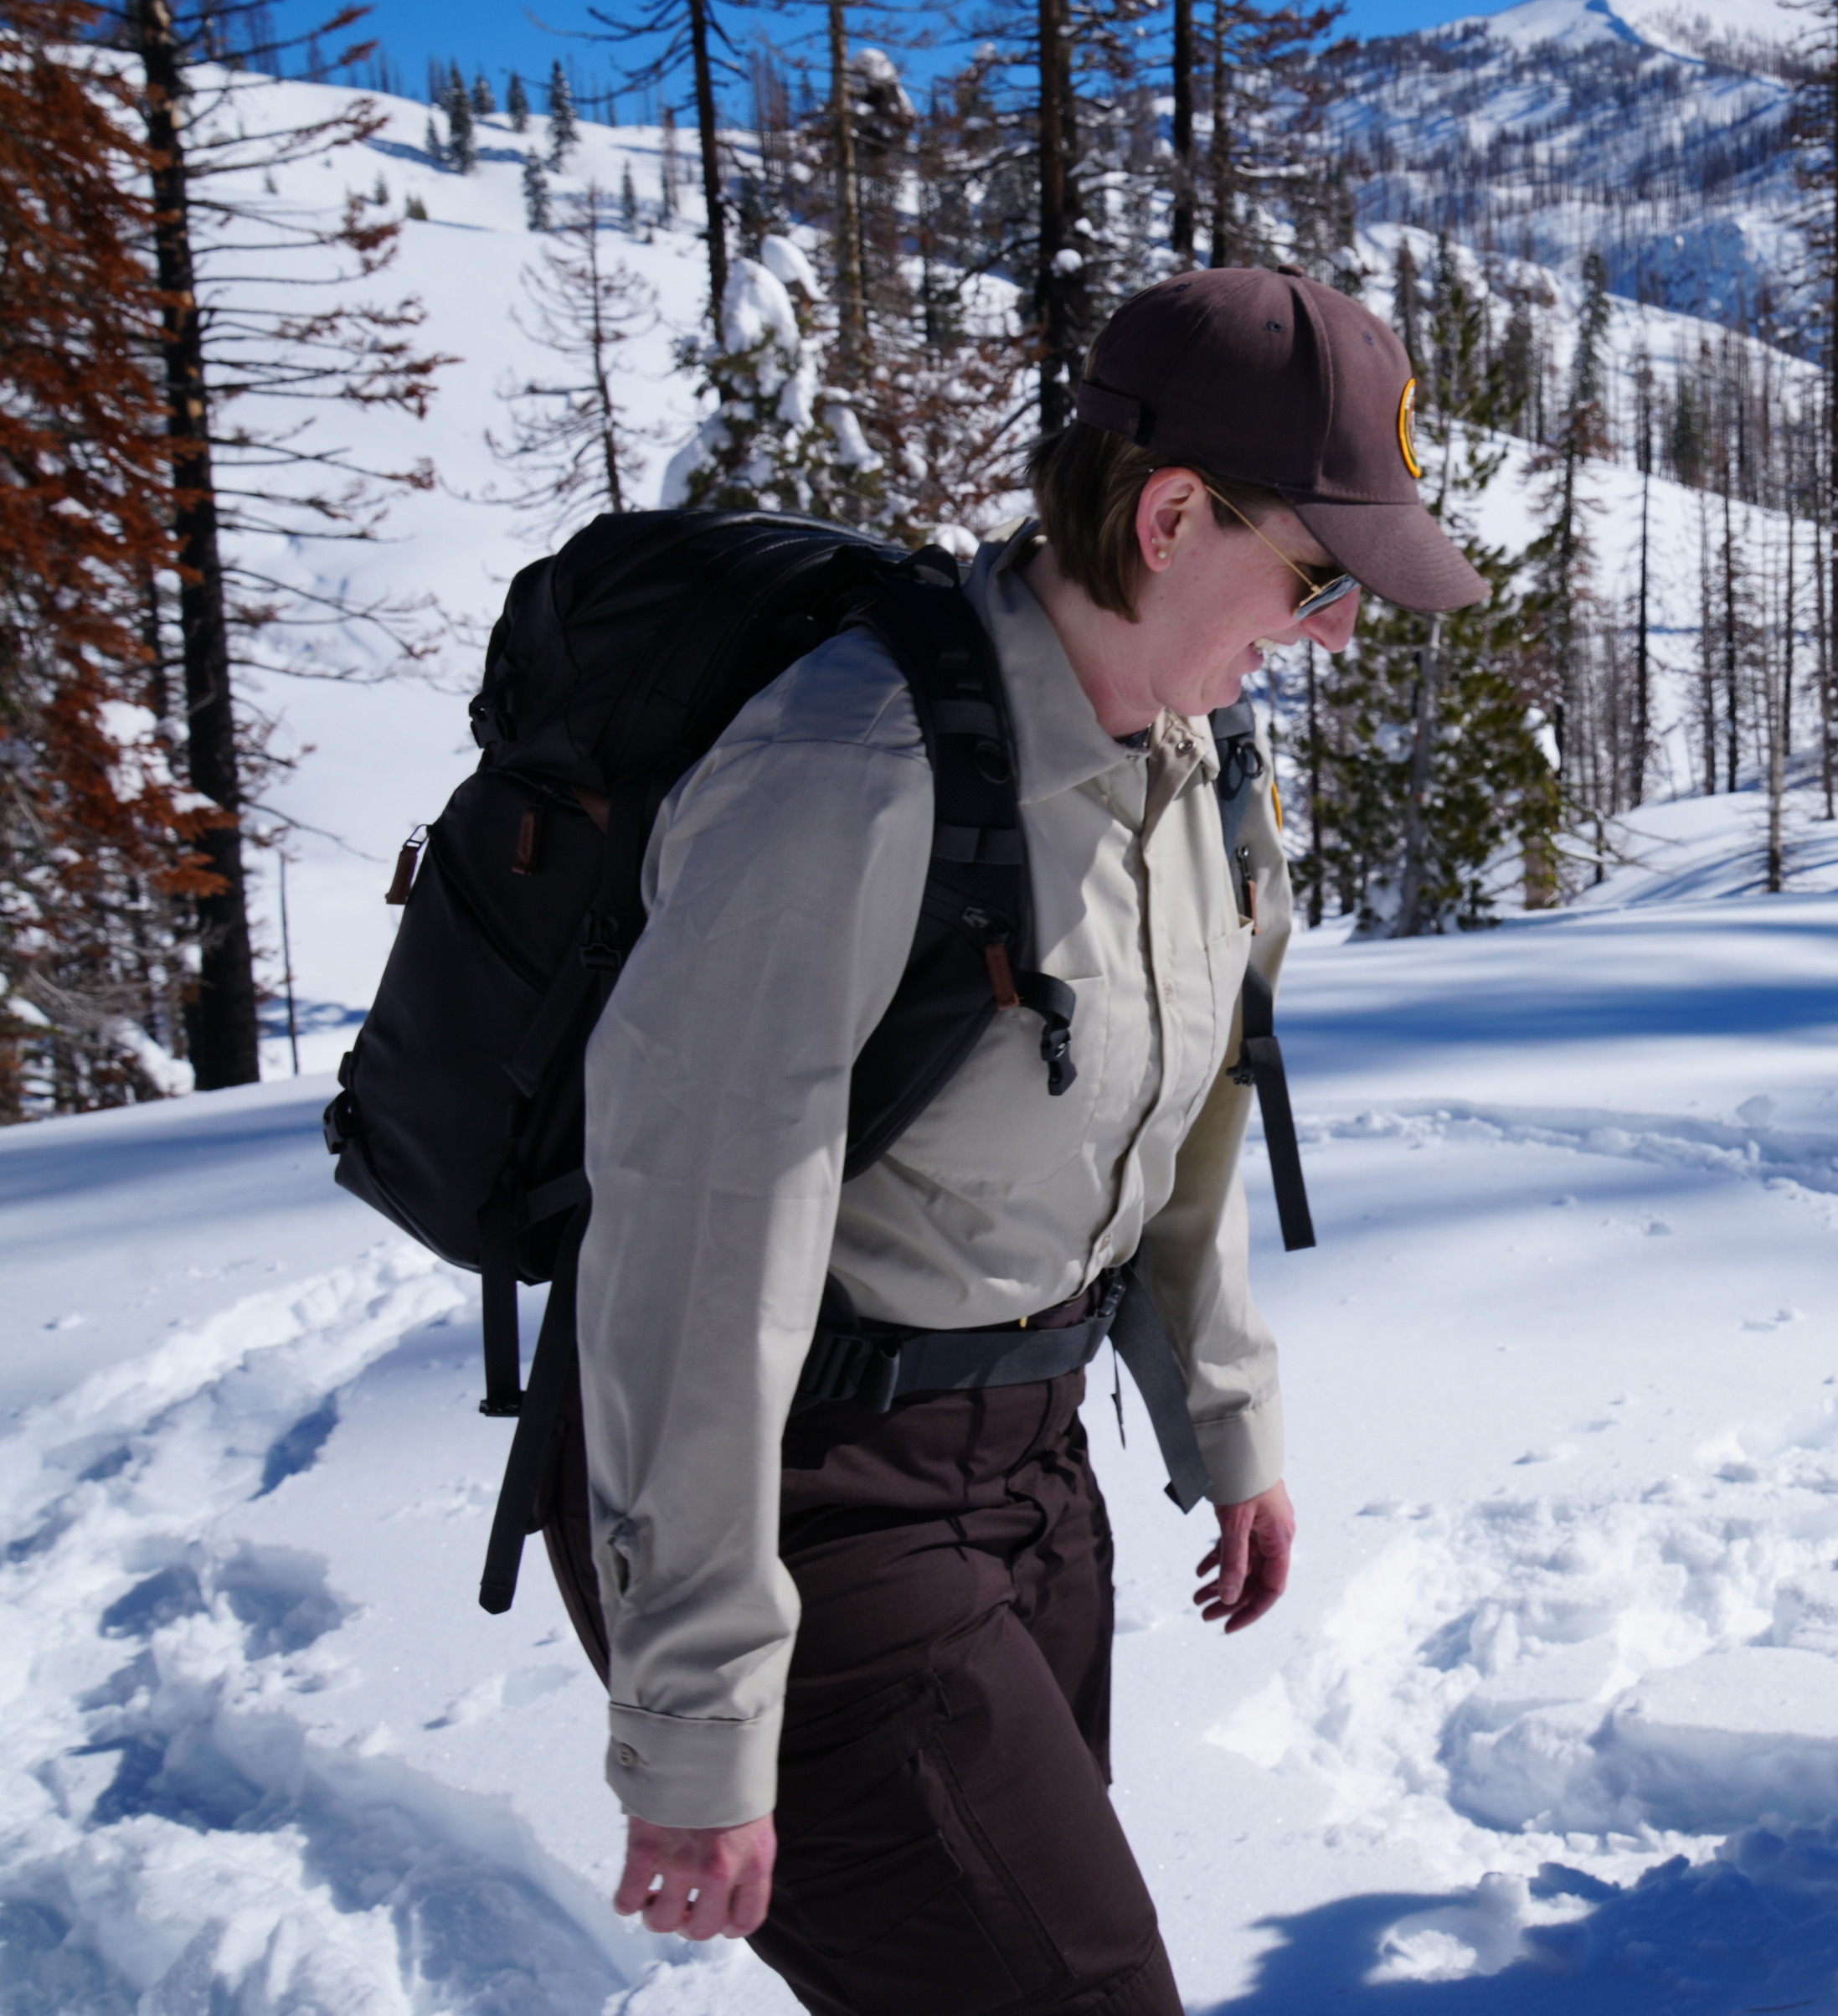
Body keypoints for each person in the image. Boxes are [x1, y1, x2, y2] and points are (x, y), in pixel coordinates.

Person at [555, 269, 1485, 2010]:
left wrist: (1225, 1420)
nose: (1335, 632)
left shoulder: (1200, 773)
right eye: (1317, 577)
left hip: (1027, 1476)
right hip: (802, 1505)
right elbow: (683, 1259)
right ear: (1169, 515)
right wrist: (696, 1709)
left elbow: (1186, 1130)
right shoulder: (851, 771)